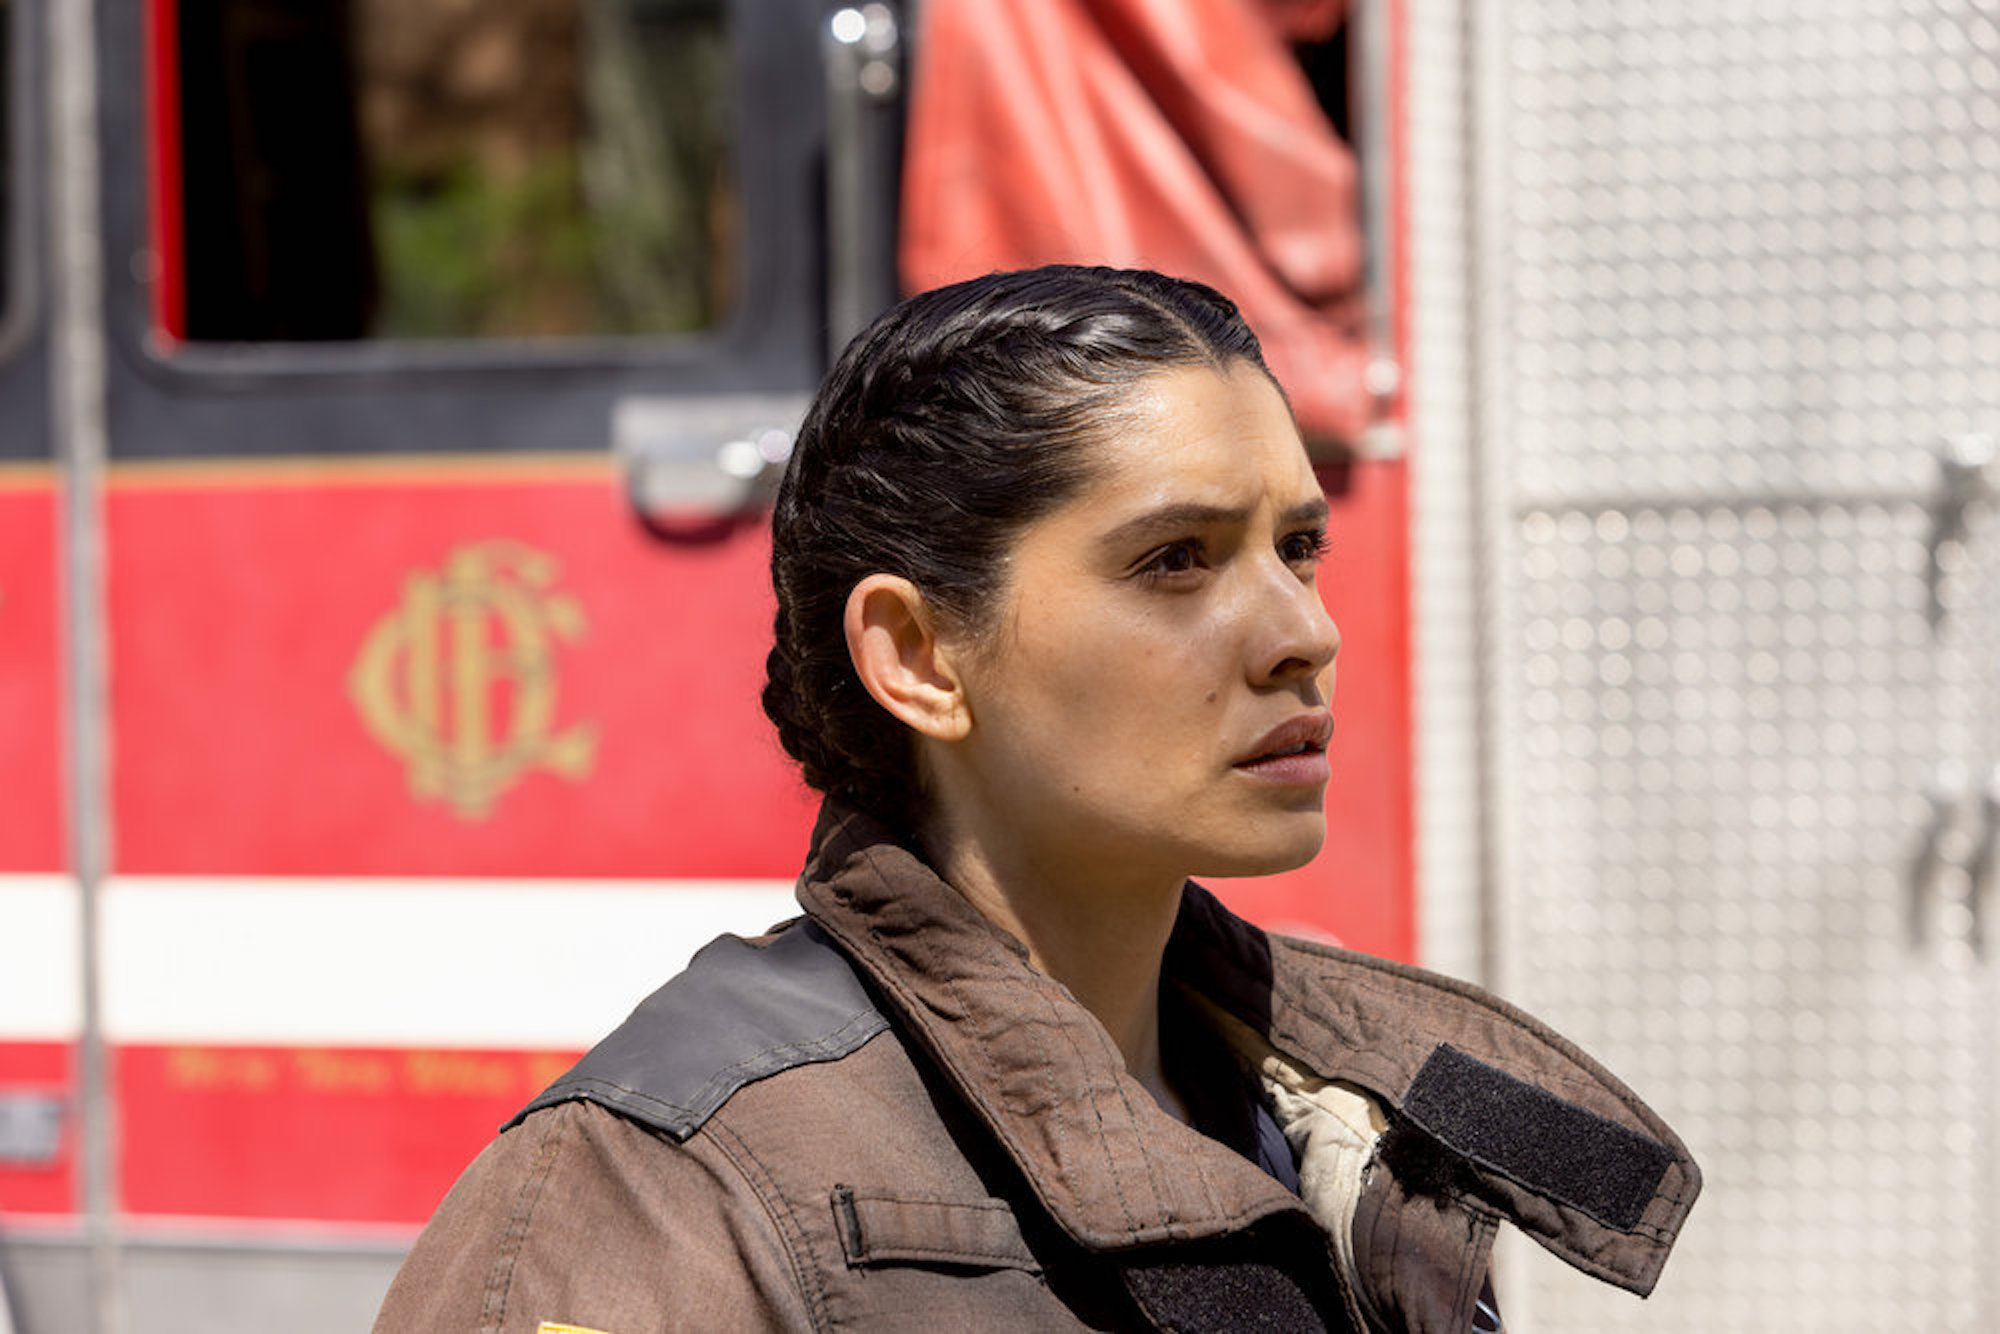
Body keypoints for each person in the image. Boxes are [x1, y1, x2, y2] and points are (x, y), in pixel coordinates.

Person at [374, 267, 1698, 1332]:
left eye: (1299, 547)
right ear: (918, 654)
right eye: (1176, 559)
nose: (1302, 631)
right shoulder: (654, 1191)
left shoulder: (1333, 1105)